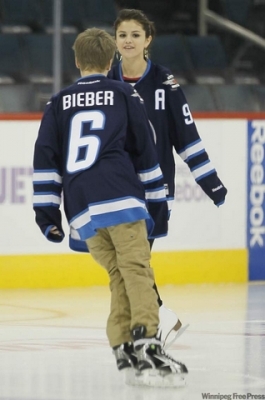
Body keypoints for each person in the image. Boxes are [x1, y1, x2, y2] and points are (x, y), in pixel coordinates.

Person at [32, 27, 188, 387]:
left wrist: (47, 216)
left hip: (82, 210)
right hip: (119, 197)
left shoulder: (57, 103)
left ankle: (123, 346)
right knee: (136, 268)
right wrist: (158, 201)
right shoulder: (123, 92)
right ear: (110, 60)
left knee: (119, 273)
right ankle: (148, 340)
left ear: (76, 61)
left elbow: (45, 160)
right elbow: (145, 150)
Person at [108, 8, 228, 345]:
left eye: (135, 34)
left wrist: (212, 184)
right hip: (116, 190)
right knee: (127, 262)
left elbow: (186, 138)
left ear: (148, 39)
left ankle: (154, 325)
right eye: (122, 35)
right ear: (115, 41)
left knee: (132, 261)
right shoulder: (107, 83)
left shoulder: (164, 81)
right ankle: (160, 320)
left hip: (155, 191)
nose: (128, 41)